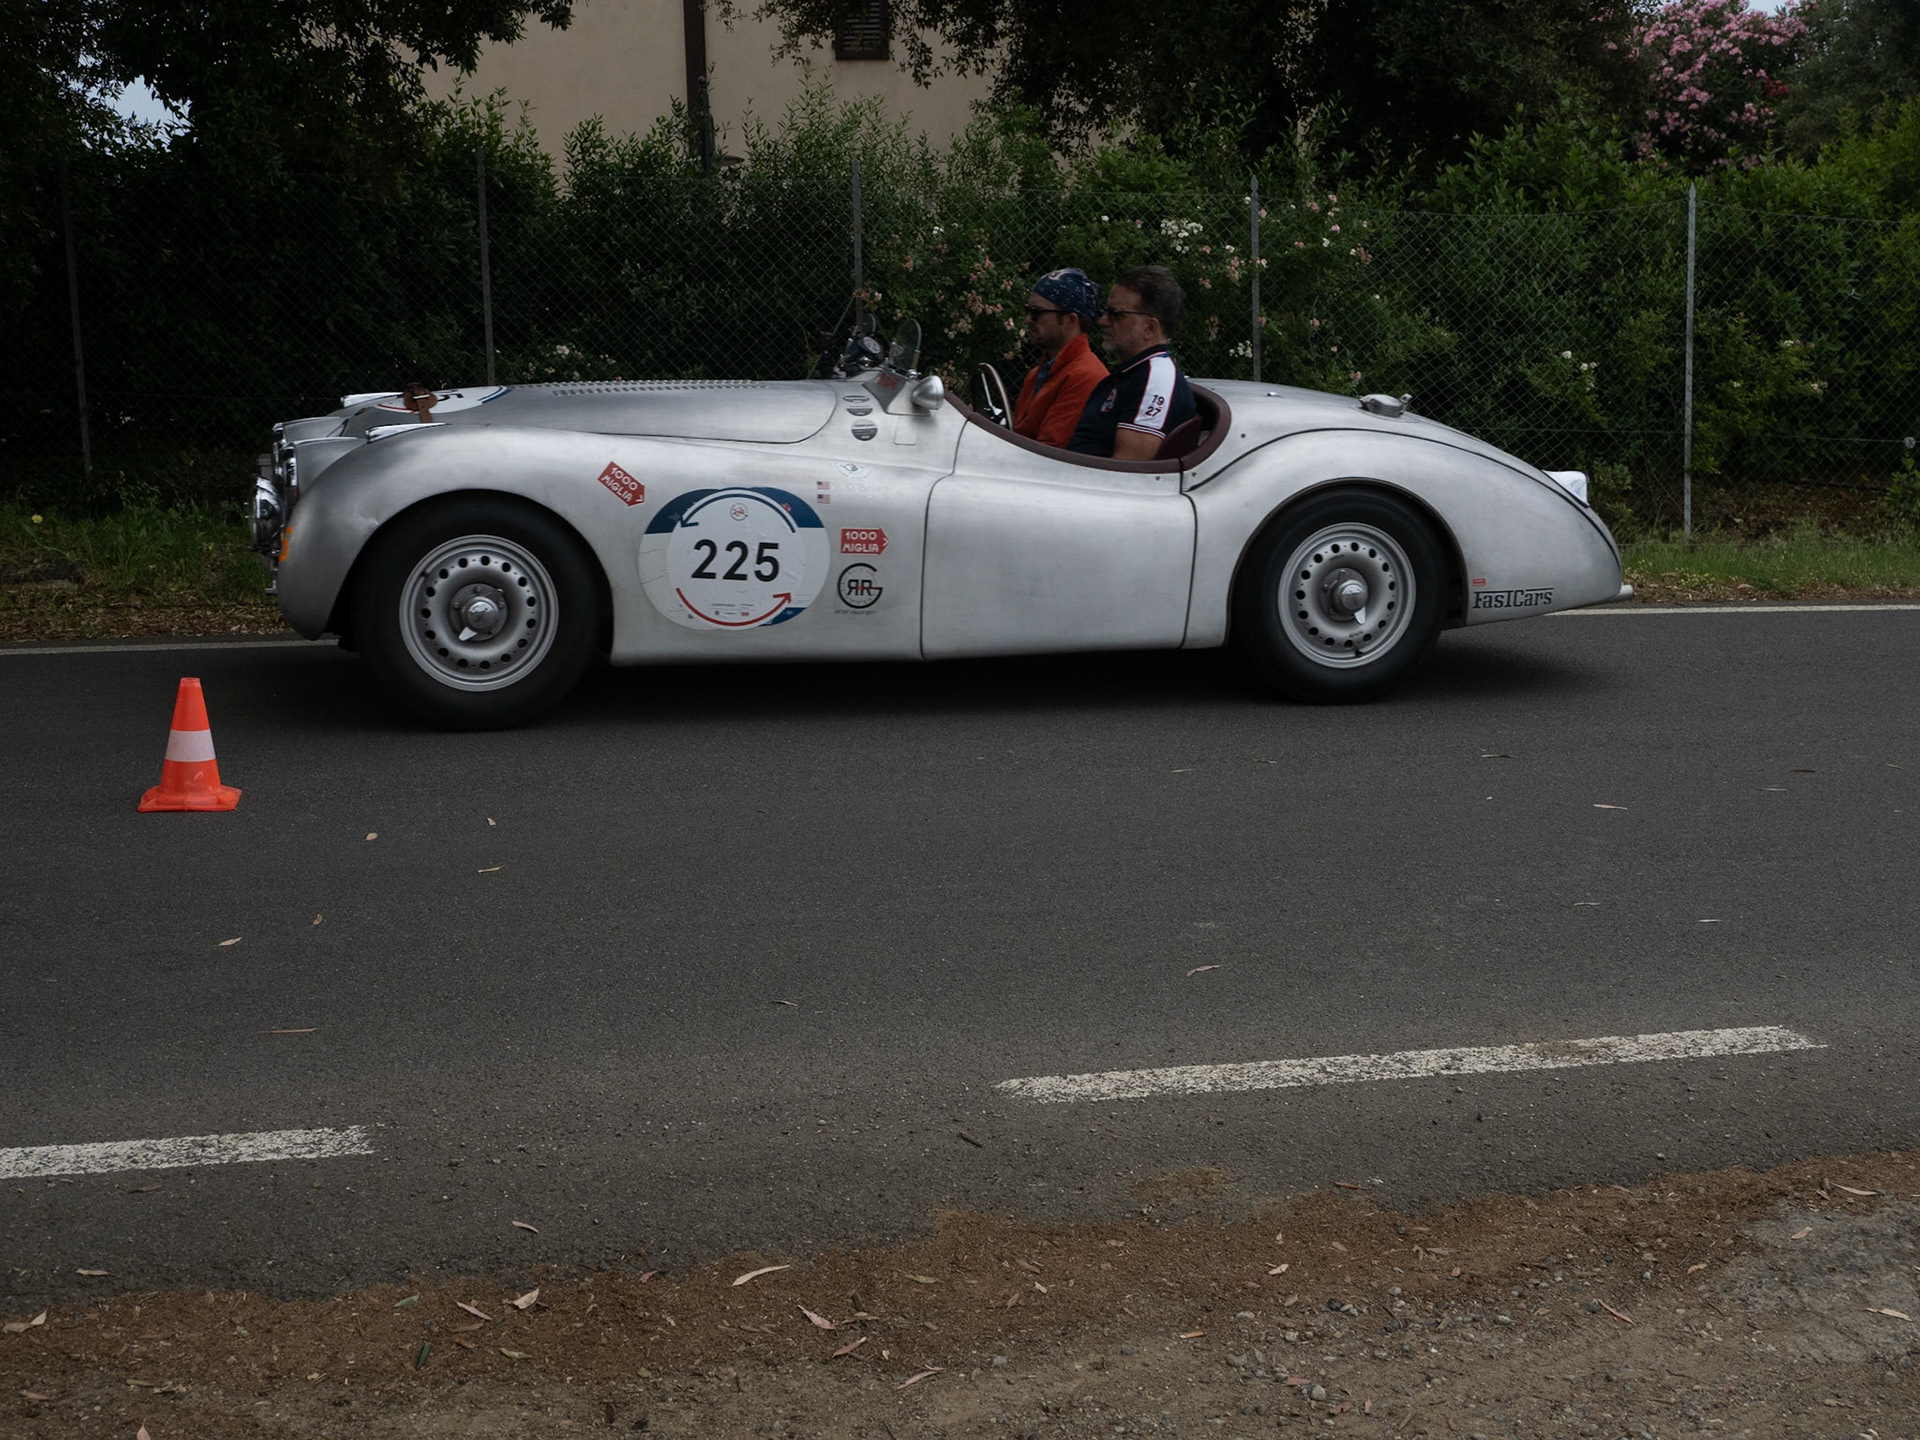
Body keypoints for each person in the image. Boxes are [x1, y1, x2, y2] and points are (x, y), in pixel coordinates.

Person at [1067, 265, 1197, 460]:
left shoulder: (1155, 380)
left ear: (1149, 327)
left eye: (1116, 314)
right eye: (1106, 311)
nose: (1103, 321)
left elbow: (1126, 472)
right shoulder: (1131, 373)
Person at [1011, 267, 1109, 448]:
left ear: (1071, 320)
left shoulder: (1086, 377)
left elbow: (1049, 454)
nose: (1027, 320)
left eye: (1036, 313)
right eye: (1028, 310)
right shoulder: (1038, 373)